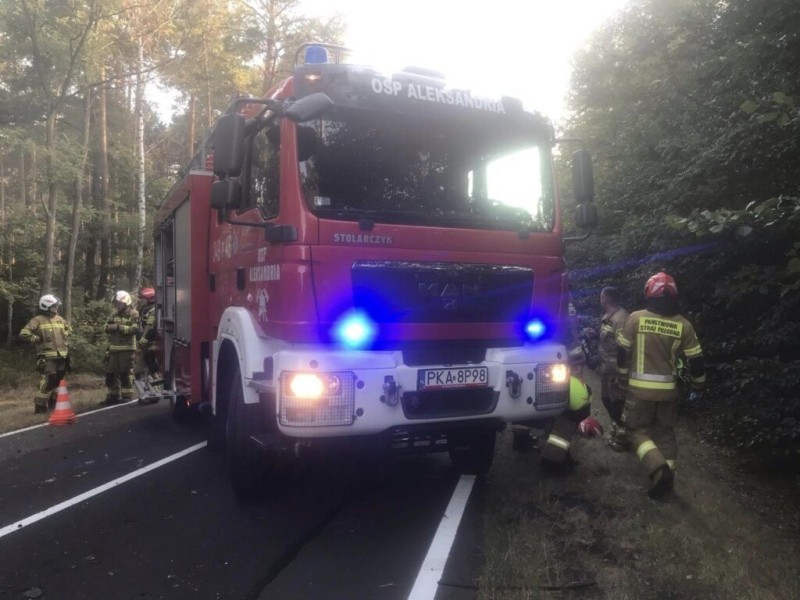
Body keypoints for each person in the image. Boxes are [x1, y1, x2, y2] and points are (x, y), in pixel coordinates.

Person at [617, 272, 706, 499]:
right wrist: (698, 386)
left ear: (649, 293)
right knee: (665, 434)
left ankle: (658, 469)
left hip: (639, 391)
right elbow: (696, 361)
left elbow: (622, 352)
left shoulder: (636, 319)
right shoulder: (684, 325)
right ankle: (667, 482)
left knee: (636, 431)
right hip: (669, 393)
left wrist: (622, 376)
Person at [540, 345, 603, 473]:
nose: (579, 370)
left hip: (570, 403)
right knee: (560, 436)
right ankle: (551, 464)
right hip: (571, 405)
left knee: (561, 434)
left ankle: (560, 459)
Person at [19, 294, 71, 414]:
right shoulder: (37, 320)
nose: (56, 308)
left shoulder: (60, 319)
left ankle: (54, 404)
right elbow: (24, 333)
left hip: (62, 356)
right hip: (47, 357)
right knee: (48, 381)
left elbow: (68, 331)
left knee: (59, 380)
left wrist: (67, 341)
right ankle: (40, 406)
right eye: (54, 306)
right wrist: (36, 339)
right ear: (46, 306)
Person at [598, 286, 630, 451]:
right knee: (606, 399)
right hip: (607, 369)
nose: (600, 299)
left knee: (618, 403)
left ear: (605, 298)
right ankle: (616, 429)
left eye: (601, 296)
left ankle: (622, 438)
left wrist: (621, 375)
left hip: (616, 371)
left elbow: (625, 349)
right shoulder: (608, 318)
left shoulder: (621, 319)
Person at [103, 290, 140, 405]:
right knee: (110, 374)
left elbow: (135, 330)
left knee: (125, 373)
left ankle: (127, 395)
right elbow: (106, 326)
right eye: (116, 303)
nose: (117, 306)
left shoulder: (134, 314)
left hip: (127, 349)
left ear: (126, 303)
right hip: (113, 349)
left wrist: (118, 327)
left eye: (119, 303)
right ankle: (113, 395)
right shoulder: (114, 314)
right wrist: (108, 327)